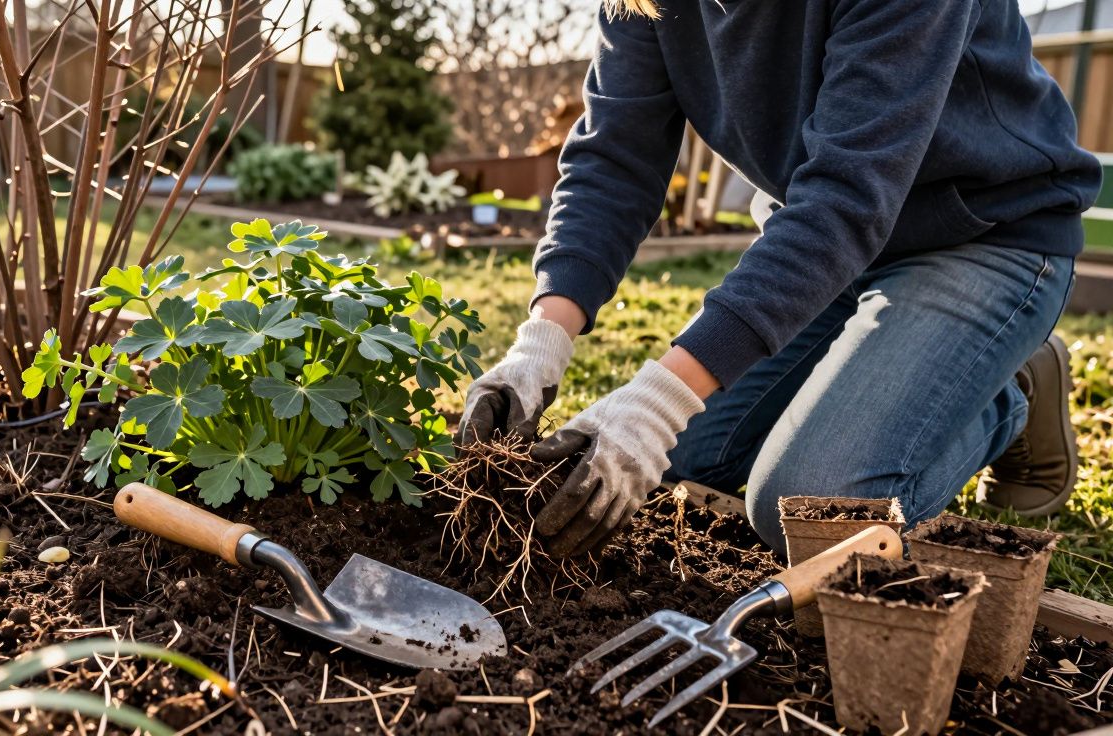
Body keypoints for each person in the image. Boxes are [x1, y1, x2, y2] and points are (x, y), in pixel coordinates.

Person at [458, 0, 1101, 557]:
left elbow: (847, 197)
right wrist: (543, 341)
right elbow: (613, 159)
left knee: (813, 504)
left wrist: (659, 399)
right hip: (823, 250)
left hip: (982, 233)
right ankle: (934, 364)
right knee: (678, 463)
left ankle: (1005, 392)